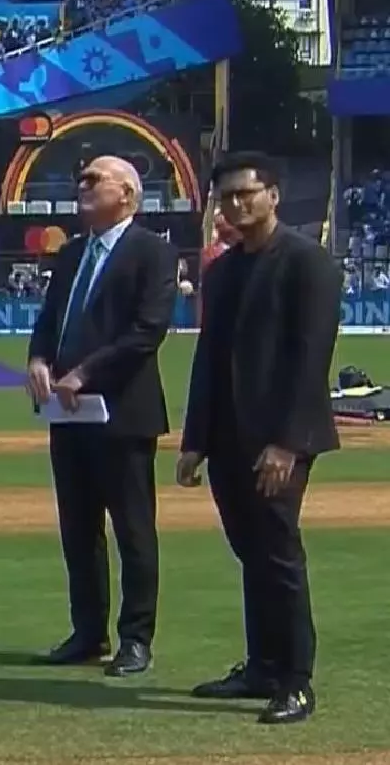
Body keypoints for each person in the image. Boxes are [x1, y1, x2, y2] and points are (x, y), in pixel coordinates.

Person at [176, 153, 340, 725]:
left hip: (279, 439)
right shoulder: (223, 270)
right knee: (250, 552)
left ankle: (296, 679)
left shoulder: (307, 262)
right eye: (226, 196)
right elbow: (209, 359)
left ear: (273, 194)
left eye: (246, 193)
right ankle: (263, 666)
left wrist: (288, 443)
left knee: (277, 552)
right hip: (228, 436)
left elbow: (310, 359)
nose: (235, 204)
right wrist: (195, 439)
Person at [25, 155, 178, 677]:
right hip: (68, 414)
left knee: (133, 532)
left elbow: (147, 331)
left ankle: (135, 639)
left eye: (95, 179)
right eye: (81, 178)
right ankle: (88, 632)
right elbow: (50, 320)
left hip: (123, 412)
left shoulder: (153, 252)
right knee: (78, 530)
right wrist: (39, 359)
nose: (82, 185)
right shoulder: (72, 253)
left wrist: (85, 373)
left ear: (128, 194)